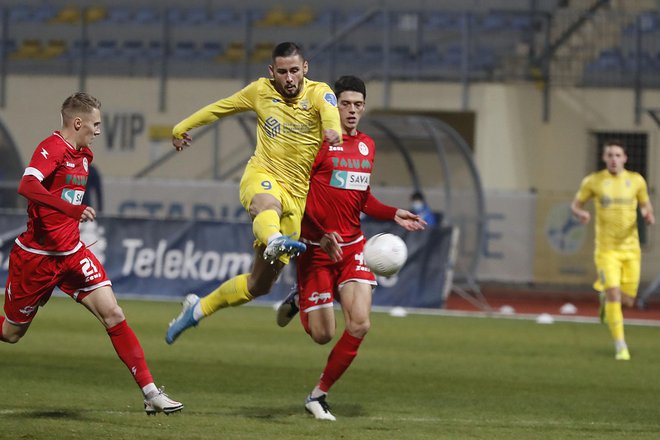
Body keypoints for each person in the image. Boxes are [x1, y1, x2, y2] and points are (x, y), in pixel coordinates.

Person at [0, 92, 183, 415]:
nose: (99, 130)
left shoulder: (85, 156)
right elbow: (27, 187)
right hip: (37, 258)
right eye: (95, 124)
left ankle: (151, 392)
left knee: (113, 313)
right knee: (10, 333)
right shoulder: (52, 148)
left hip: (72, 254)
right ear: (78, 122)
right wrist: (71, 209)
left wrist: (73, 214)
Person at [165, 42, 342, 344]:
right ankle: (274, 240)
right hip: (262, 175)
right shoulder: (260, 91)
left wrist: (332, 129)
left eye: (294, 71)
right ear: (272, 71)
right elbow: (220, 107)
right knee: (266, 205)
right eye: (282, 72)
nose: (289, 78)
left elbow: (329, 111)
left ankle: (197, 309)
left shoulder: (319, 92)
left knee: (258, 286)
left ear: (305, 69)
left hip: (296, 199)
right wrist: (180, 127)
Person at [276, 76, 426, 420]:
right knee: (323, 335)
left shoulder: (367, 147)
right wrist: (319, 232)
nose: (353, 111)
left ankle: (318, 395)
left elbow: (362, 199)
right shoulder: (314, 144)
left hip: (353, 247)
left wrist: (393, 213)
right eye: (346, 104)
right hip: (315, 249)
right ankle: (300, 299)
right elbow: (297, 201)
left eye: (359, 105)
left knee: (360, 324)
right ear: (334, 106)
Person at [571, 139, 655, 361]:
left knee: (627, 301)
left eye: (618, 155)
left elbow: (646, 204)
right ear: (604, 158)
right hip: (606, 250)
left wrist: (648, 214)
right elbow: (576, 205)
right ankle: (621, 347)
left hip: (631, 251)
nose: (614, 159)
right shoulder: (594, 181)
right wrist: (581, 214)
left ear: (625, 158)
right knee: (614, 294)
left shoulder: (636, 181)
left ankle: (605, 300)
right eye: (610, 155)